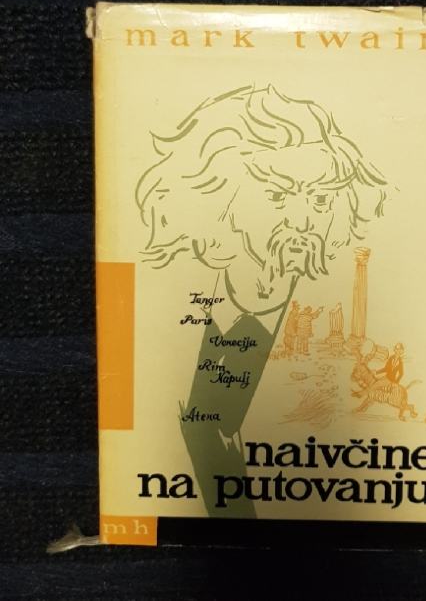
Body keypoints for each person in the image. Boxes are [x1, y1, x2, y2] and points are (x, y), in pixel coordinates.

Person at [136, 84, 389, 516]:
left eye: (321, 198)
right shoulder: (167, 314)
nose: (303, 221)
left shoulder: (339, 328)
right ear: (219, 199)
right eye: (277, 195)